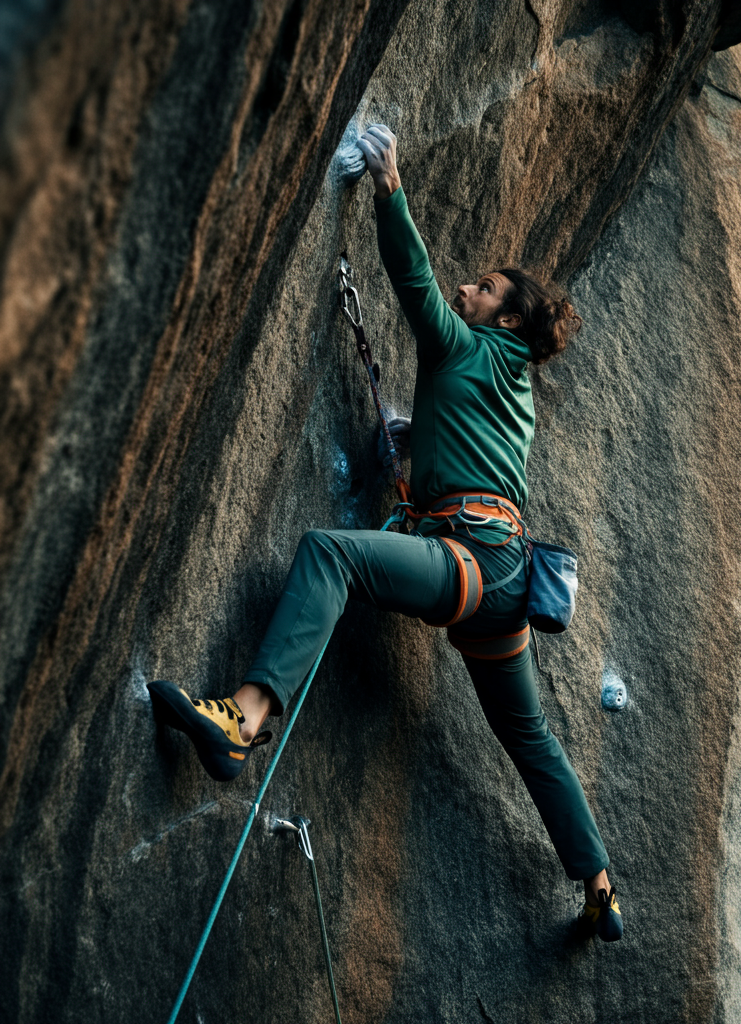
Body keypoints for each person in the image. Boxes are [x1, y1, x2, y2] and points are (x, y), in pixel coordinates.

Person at [148, 125, 622, 943]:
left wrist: (389, 183)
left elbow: (414, 286)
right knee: (530, 737)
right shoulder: (513, 388)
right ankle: (601, 887)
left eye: (481, 288)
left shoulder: (470, 347)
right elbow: (464, 448)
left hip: (472, 564)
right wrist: (414, 465)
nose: (466, 292)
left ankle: (241, 720)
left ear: (505, 322)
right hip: (498, 581)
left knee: (330, 554)